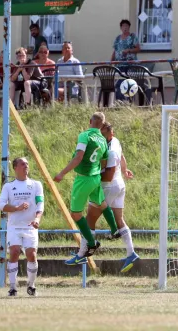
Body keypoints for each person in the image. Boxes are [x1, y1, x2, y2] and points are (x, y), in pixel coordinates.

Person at [54, 112, 108, 262]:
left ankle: (91, 243)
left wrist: (61, 173)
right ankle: (86, 248)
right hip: (96, 178)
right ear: (102, 125)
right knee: (97, 209)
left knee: (76, 214)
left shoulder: (84, 136)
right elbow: (103, 162)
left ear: (90, 121)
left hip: (84, 179)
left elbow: (78, 157)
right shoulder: (103, 140)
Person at [0, 157, 44, 297]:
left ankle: (31, 285)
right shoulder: (8, 186)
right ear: (15, 168)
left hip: (30, 227)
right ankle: (12, 287)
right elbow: (0, 205)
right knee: (15, 252)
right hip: (14, 227)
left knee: (32, 254)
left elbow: (40, 203)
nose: (26, 166)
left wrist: (37, 218)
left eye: (27, 164)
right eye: (23, 164)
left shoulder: (36, 185)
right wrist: (16, 208)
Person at [99, 121, 139, 272]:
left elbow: (108, 176)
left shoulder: (110, 150)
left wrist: (92, 177)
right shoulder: (115, 141)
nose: (102, 137)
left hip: (111, 185)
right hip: (120, 185)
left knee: (95, 211)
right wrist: (125, 169)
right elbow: (122, 156)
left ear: (110, 134)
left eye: (103, 134)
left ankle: (83, 251)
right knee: (119, 219)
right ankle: (131, 253)